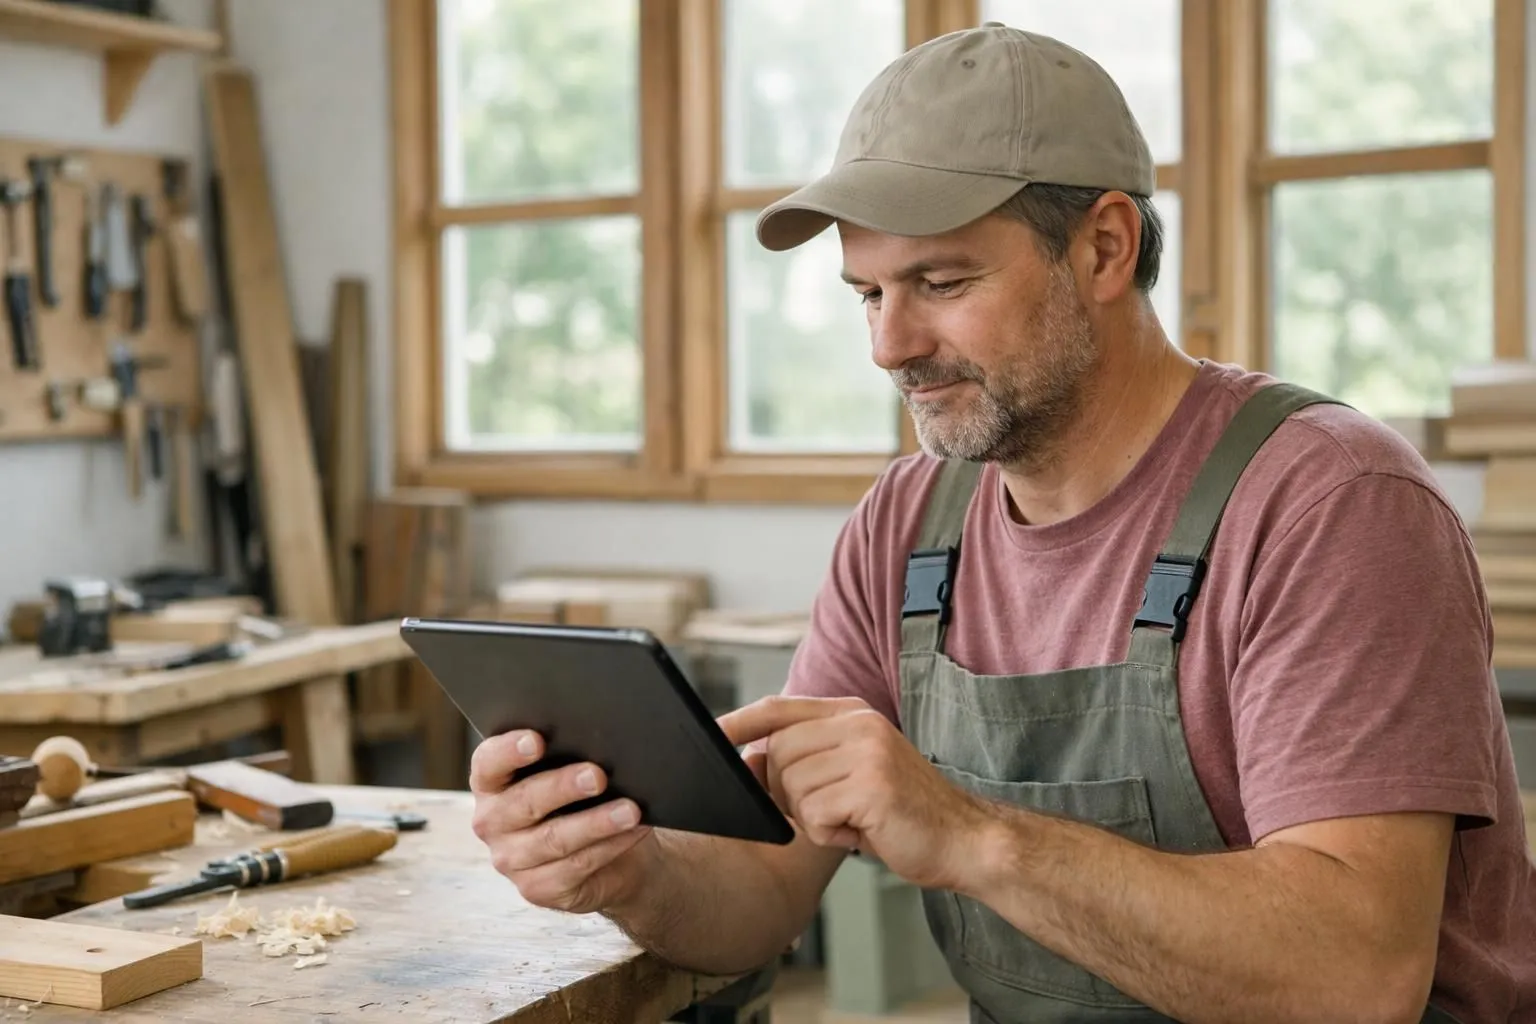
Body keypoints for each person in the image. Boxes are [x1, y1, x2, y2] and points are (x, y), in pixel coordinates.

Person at [468, 22, 1536, 1023]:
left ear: (1105, 248)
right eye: (868, 294)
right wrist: (627, 868)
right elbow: (763, 887)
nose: (890, 345)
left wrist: (970, 834)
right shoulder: (907, 525)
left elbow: (1359, 974)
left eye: (939, 281)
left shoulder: (1327, 506)